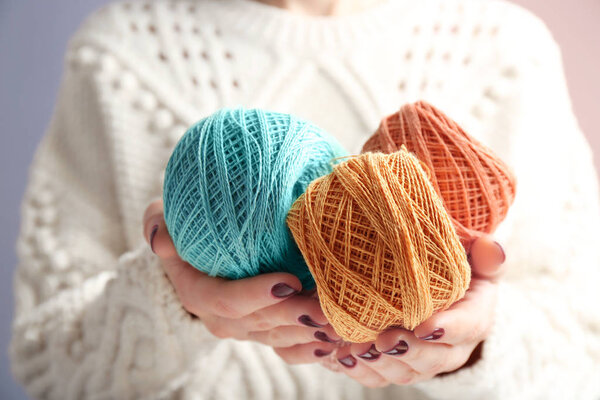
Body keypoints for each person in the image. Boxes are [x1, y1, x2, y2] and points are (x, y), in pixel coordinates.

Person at [10, 0, 600, 399]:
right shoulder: (122, 55)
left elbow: (586, 355)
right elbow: (45, 366)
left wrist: (476, 347)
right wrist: (174, 298)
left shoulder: (503, 47)